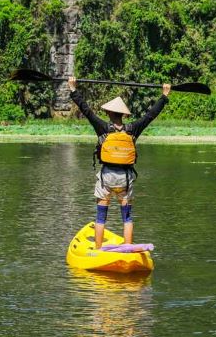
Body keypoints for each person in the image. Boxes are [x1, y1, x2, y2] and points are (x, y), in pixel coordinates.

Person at [68, 77, 171, 249]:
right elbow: (150, 115)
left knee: (101, 217)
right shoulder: (133, 129)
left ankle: (98, 250)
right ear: (123, 114)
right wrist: (164, 95)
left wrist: (73, 90)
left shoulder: (102, 127)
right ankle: (128, 248)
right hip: (125, 178)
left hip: (107, 177)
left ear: (108, 113)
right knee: (127, 217)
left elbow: (86, 110)